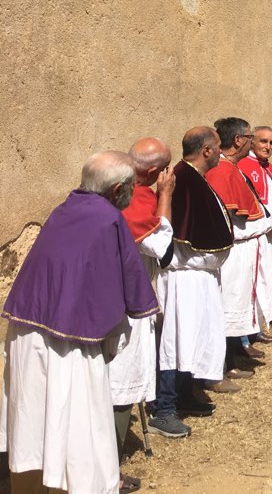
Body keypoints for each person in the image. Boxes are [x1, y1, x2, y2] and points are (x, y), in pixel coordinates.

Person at [0, 151, 158, 494]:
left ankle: (40, 483)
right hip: (70, 343)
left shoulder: (66, 207)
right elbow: (122, 283)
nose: (134, 191)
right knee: (78, 422)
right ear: (118, 189)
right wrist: (118, 334)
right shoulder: (108, 219)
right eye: (132, 185)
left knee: (36, 418)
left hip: (29, 331)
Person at [150, 127, 234, 435]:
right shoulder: (183, 180)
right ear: (207, 151)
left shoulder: (194, 178)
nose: (222, 153)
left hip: (200, 279)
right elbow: (171, 232)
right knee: (175, 341)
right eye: (217, 148)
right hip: (182, 279)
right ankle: (164, 408)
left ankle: (185, 394)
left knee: (195, 338)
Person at [109, 138, 176, 491]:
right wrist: (164, 195)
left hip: (111, 294)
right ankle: (108, 468)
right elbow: (161, 247)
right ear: (154, 172)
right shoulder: (137, 196)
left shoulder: (110, 187)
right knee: (124, 378)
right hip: (126, 301)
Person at [205, 117, 272, 389]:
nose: (252, 141)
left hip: (246, 249)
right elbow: (231, 222)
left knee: (238, 306)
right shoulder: (222, 171)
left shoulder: (232, 167)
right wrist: (265, 224)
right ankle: (219, 368)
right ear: (237, 140)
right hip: (234, 255)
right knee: (228, 308)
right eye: (249, 137)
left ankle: (233, 358)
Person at [237, 126, 272, 354]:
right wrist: (267, 225)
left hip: (271, 231)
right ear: (251, 142)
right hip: (257, 232)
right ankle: (243, 339)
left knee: (265, 282)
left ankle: (257, 328)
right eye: (263, 141)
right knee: (251, 285)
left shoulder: (268, 166)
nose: (268, 146)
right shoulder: (245, 165)